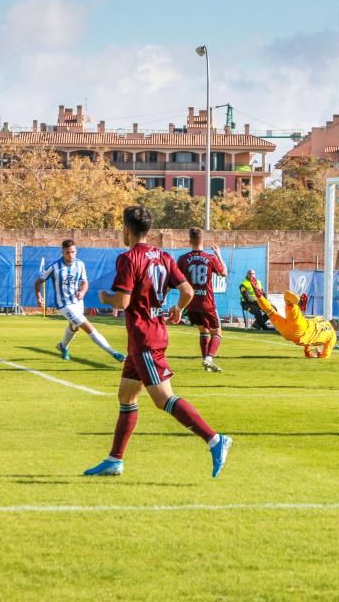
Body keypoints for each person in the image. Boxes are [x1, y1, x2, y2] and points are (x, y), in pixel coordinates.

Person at [85, 205, 232, 478]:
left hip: (144, 339)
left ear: (126, 229)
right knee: (126, 395)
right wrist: (177, 309)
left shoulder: (128, 259)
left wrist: (105, 297)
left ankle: (214, 439)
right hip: (149, 335)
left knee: (163, 399)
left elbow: (123, 301)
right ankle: (114, 459)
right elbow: (186, 290)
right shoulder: (163, 256)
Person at [34, 240, 125, 363]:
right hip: (64, 305)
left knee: (74, 327)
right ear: (62, 253)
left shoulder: (80, 264)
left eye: (73, 252)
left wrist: (82, 292)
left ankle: (63, 346)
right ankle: (114, 353)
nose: (71, 255)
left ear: (76, 251)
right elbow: (38, 281)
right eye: (67, 253)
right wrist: (39, 296)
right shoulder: (55, 267)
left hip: (77, 302)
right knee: (88, 327)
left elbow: (85, 282)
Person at [176, 227, 227, 372]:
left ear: (190, 241)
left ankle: (207, 364)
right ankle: (209, 358)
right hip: (207, 303)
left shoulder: (183, 259)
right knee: (217, 333)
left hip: (191, 304)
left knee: (203, 332)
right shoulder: (210, 258)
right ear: (202, 240)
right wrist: (218, 255)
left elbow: (174, 280)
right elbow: (224, 273)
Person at [253, 285, 339, 359]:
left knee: (286, 298)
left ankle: (259, 296)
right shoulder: (333, 335)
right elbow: (326, 355)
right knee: (270, 313)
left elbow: (311, 328)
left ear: (329, 321)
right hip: (290, 335)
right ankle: (260, 296)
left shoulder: (321, 319)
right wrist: (317, 355)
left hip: (301, 326)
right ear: (335, 329)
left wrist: (307, 350)